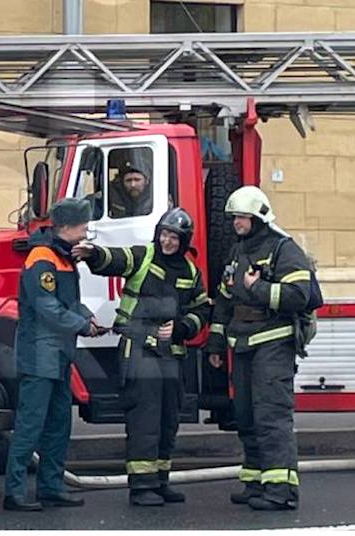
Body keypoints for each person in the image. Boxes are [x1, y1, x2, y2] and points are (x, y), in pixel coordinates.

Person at [73, 208, 210, 506]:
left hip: (171, 354)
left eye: (174, 237)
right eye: (164, 234)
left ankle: (160, 480)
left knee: (168, 418)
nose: (167, 242)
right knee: (144, 417)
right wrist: (93, 254)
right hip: (139, 350)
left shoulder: (189, 271)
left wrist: (184, 327)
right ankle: (142, 485)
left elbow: (202, 309)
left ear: (183, 241)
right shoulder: (143, 255)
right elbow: (115, 258)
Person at [206, 187, 312, 512]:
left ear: (258, 217)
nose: (237, 222)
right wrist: (215, 341)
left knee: (271, 417)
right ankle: (255, 483)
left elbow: (299, 295)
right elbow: (225, 300)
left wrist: (259, 288)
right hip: (242, 344)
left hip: (273, 343)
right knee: (246, 416)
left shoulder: (284, 249)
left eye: (242, 217)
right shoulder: (237, 252)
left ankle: (280, 490)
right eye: (235, 217)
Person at [3, 196, 102, 512]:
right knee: (31, 425)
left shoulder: (63, 256)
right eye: (83, 225)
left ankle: (50, 487)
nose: (87, 230)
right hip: (40, 356)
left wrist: (85, 315)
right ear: (67, 226)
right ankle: (14, 493)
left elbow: (69, 301)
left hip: (58, 356)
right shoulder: (42, 258)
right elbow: (47, 308)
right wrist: (82, 326)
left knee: (59, 425)